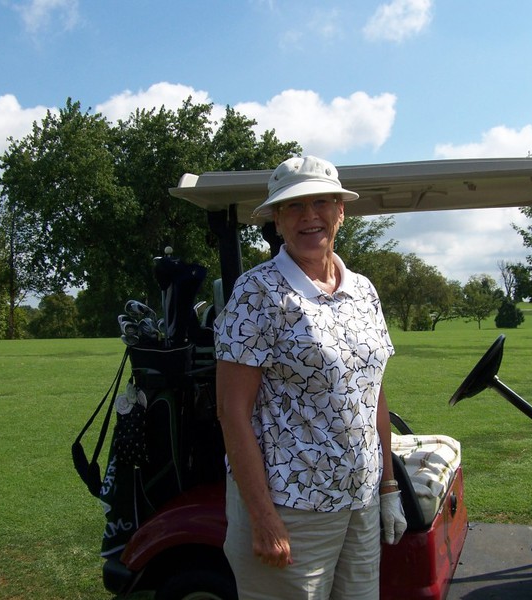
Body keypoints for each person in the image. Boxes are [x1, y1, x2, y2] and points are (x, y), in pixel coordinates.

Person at [214, 156, 407, 600]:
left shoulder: (363, 290)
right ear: (278, 219)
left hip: (360, 502)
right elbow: (231, 412)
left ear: (340, 211)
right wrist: (263, 518)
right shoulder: (258, 292)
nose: (309, 216)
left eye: (321, 202)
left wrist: (388, 485)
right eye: (294, 206)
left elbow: (372, 392)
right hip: (291, 508)